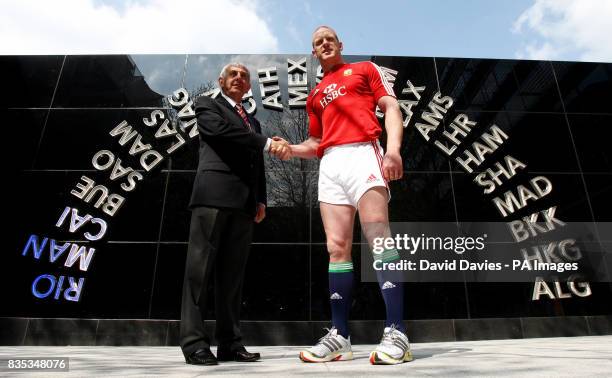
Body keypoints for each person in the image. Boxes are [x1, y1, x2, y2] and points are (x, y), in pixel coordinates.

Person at [289, 26, 412, 365]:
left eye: (329, 39)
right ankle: (340, 335)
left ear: (340, 45)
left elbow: (390, 107)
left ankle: (397, 330)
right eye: (317, 42)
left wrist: (393, 150)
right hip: (331, 164)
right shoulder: (314, 96)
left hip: (363, 153)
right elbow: (315, 144)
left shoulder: (364, 70)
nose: (324, 44)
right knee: (337, 248)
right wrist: (289, 150)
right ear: (314, 52)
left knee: (378, 238)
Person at [180, 62, 290, 365]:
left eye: (245, 76)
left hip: (244, 205)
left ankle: (230, 343)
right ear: (221, 80)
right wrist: (268, 143)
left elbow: (258, 165)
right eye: (234, 74)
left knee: (232, 279)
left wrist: (261, 200)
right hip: (212, 199)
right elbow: (222, 133)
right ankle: (194, 344)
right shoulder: (206, 105)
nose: (240, 78)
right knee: (199, 274)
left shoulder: (253, 123)